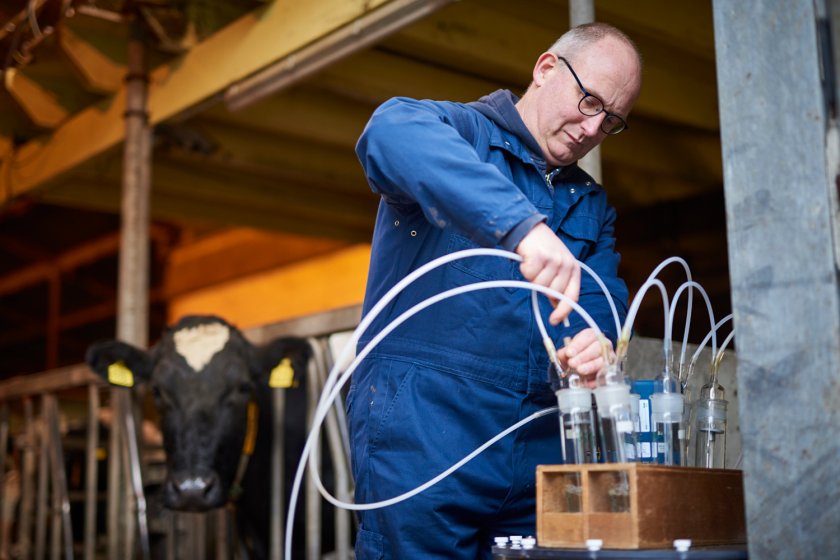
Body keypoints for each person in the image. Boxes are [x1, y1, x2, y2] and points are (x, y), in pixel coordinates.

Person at [346, 22, 643, 559]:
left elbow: (601, 303)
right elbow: (388, 130)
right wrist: (522, 226)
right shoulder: (458, 131)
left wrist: (600, 347)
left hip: (541, 450)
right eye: (590, 100)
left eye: (612, 119)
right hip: (426, 439)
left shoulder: (589, 204)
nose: (593, 126)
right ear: (546, 68)